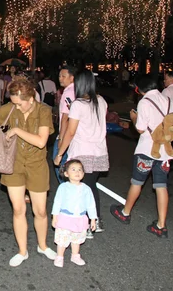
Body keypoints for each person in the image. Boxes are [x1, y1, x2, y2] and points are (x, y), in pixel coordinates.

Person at [0, 78, 57, 267]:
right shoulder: (12, 107)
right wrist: (1, 134)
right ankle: (22, 251)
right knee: (18, 209)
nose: (16, 107)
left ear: (31, 98)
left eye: (19, 103)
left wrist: (14, 130)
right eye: (13, 102)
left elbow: (41, 141)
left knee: (40, 210)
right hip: (13, 165)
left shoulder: (43, 111)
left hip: (37, 165)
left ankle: (43, 245)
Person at [110, 75, 173, 238]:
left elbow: (139, 128)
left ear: (140, 89)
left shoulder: (144, 102)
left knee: (137, 182)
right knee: (161, 186)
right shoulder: (169, 101)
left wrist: (133, 117)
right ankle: (161, 225)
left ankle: (125, 213)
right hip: (165, 151)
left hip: (146, 150)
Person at [53, 70, 108, 237]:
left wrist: (60, 153)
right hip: (99, 151)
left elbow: (70, 132)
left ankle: (85, 226)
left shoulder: (78, 105)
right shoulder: (101, 101)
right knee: (91, 187)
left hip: (82, 152)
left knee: (79, 190)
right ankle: (95, 221)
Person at [51, 160, 97, 268]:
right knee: (62, 239)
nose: (77, 172)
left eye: (80, 169)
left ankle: (75, 255)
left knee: (77, 239)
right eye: (73, 169)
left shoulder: (86, 189)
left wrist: (93, 219)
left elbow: (91, 204)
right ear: (66, 174)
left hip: (80, 218)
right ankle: (59, 256)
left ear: (83, 173)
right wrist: (54, 216)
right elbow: (57, 202)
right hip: (65, 218)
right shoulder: (63, 187)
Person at [54, 66, 76, 183]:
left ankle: (67, 189)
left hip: (66, 134)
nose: (60, 79)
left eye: (63, 76)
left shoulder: (68, 93)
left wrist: (61, 138)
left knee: (60, 164)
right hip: (72, 134)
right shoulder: (73, 91)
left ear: (72, 78)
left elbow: (65, 119)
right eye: (59, 76)